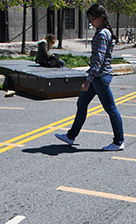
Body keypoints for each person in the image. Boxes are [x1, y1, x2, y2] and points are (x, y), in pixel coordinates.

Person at [55, 3, 124, 151]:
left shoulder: (102, 34)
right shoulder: (102, 32)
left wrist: (88, 80)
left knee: (111, 108)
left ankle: (119, 141)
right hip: (97, 77)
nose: (91, 23)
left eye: (92, 19)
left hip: (100, 77)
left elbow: (98, 60)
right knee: (82, 104)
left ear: (101, 18)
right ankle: (71, 136)